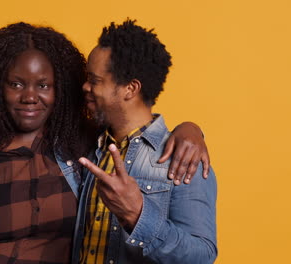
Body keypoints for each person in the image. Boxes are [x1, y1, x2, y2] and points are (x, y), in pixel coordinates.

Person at [0, 22, 209, 264]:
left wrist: (190, 130)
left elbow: (199, 252)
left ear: (59, 88)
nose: (30, 96)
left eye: (44, 85)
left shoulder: (78, 151)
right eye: (16, 84)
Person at [73, 19, 217, 264]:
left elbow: (201, 255)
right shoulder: (89, 146)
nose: (85, 87)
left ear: (130, 88)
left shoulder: (183, 158)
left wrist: (138, 215)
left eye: (95, 81)